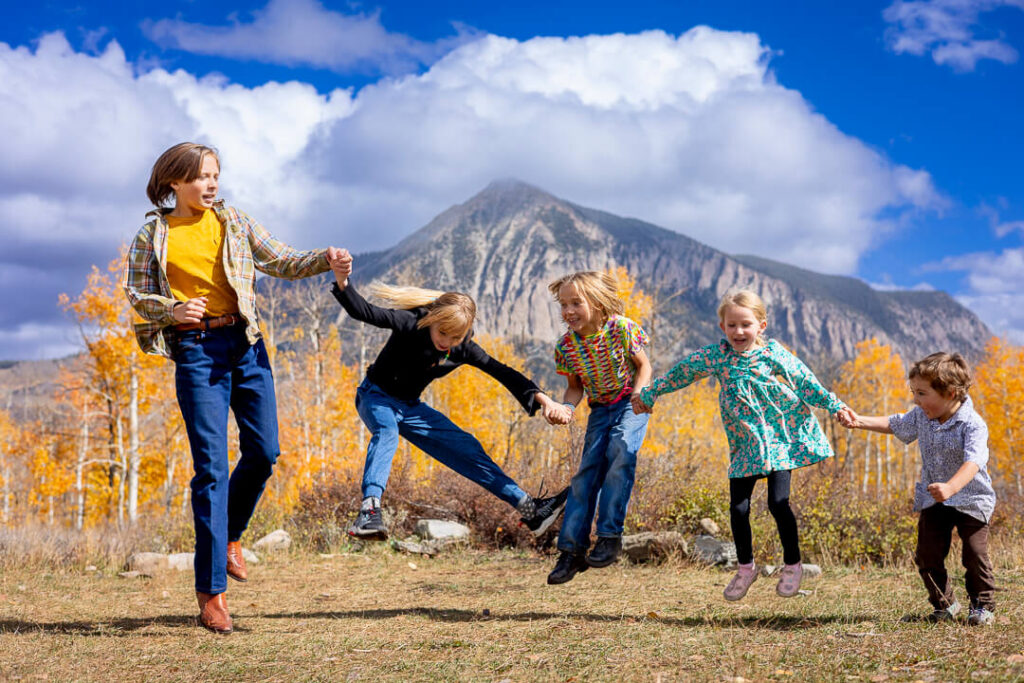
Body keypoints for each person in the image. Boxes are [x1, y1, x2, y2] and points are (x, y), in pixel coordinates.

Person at [123, 142, 345, 634]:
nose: (211, 184)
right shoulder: (153, 233)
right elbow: (137, 293)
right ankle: (212, 593)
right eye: (201, 176)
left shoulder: (235, 223)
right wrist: (171, 311)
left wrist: (326, 259)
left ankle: (231, 535)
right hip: (197, 349)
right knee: (210, 468)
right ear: (174, 182)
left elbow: (283, 260)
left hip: (245, 343)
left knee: (265, 451)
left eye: (215, 175)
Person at [327, 253, 571, 540]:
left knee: (466, 447)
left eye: (455, 338)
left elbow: (503, 372)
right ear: (433, 319)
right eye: (442, 333)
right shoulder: (411, 323)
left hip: (411, 407)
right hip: (376, 397)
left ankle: (531, 510)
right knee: (387, 431)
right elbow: (366, 312)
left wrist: (545, 400)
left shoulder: (463, 347)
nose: (446, 342)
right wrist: (342, 279)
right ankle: (369, 511)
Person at [634, 290, 854, 600]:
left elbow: (805, 381)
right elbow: (682, 373)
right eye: (732, 325)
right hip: (744, 444)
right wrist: (650, 392)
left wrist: (835, 406)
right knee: (738, 509)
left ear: (761, 326)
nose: (739, 332)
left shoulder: (773, 354)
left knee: (779, 503)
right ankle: (746, 568)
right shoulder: (716, 357)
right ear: (722, 327)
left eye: (746, 325)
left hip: (778, 439)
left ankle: (793, 565)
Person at [844, 352, 996, 626]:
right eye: (913, 391)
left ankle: (982, 606)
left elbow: (974, 462)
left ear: (950, 393)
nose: (915, 399)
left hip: (972, 499)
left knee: (974, 553)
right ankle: (945, 605)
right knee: (927, 554)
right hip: (933, 498)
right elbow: (896, 423)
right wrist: (860, 421)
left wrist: (951, 487)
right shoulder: (922, 417)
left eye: (922, 393)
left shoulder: (973, 424)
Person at [545, 271, 653, 585]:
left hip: (632, 403)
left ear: (597, 302)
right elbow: (575, 388)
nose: (568, 311)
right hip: (599, 409)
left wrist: (638, 393)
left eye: (576, 302)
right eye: (563, 304)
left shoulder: (621, 328)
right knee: (586, 474)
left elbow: (644, 365)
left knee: (621, 447)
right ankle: (572, 550)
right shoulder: (567, 346)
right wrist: (566, 407)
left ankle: (609, 536)